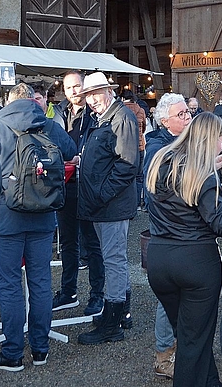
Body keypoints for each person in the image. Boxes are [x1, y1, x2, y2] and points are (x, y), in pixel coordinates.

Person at [145, 112, 222, 387]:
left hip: (159, 259)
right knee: (194, 340)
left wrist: (214, 166)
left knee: (189, 335)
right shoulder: (203, 175)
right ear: (210, 140)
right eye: (221, 141)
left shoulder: (161, 159)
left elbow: (184, 183)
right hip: (195, 262)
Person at [0, 83, 77, 371]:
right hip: (44, 214)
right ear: (32, 101)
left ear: (9, 101)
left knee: (9, 284)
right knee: (40, 282)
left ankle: (12, 352)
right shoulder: (48, 124)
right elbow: (71, 151)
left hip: (7, 215)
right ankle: (40, 349)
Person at [75, 72, 140, 345]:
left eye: (95, 93)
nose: (91, 100)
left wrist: (102, 193)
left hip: (110, 205)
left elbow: (127, 164)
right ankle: (119, 314)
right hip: (103, 205)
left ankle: (113, 322)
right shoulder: (104, 119)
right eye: (88, 95)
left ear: (109, 92)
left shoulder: (121, 118)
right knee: (113, 259)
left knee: (113, 260)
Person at [143, 93, 191, 379]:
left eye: (187, 112)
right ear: (165, 121)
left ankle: (176, 347)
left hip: (182, 231)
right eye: (181, 114)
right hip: (168, 231)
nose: (187, 118)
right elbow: (161, 190)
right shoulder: (157, 148)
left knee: (181, 293)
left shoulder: (182, 143)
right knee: (169, 294)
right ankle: (164, 355)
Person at [51, 72, 105, 318]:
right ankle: (68, 291)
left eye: (77, 86)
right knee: (68, 242)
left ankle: (97, 295)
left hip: (87, 184)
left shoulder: (95, 116)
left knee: (92, 243)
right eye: (69, 87)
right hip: (65, 183)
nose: (74, 91)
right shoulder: (58, 113)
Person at [121, 89, 147, 208]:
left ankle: (127, 204)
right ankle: (137, 205)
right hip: (140, 146)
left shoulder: (120, 110)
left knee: (125, 176)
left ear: (122, 98)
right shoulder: (140, 110)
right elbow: (144, 128)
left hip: (125, 147)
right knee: (139, 176)